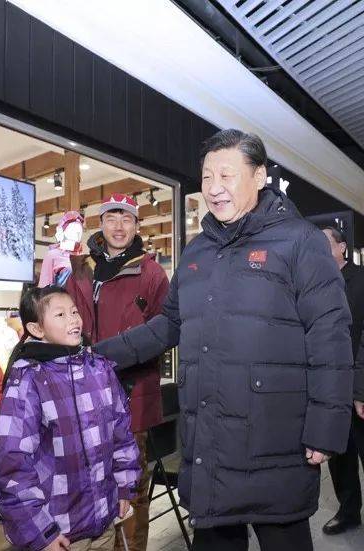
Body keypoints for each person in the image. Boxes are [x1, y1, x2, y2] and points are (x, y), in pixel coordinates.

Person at [95, 129, 354, 551]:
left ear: (259, 177)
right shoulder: (198, 254)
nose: (214, 189)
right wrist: (93, 356)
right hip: (212, 445)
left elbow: (329, 334)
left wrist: (326, 427)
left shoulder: (299, 241)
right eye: (207, 176)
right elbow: (167, 325)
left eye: (227, 176)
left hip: (277, 443)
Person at [0, 286, 140, 551]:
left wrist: (125, 485)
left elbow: (121, 431)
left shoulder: (99, 368)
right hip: (59, 533)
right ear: (37, 329)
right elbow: (11, 463)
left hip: (104, 521)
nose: (73, 320)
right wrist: (40, 531)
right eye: (60, 315)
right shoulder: (29, 380)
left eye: (74, 311)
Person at [66, 193, 169, 551]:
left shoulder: (152, 272)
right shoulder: (80, 269)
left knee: (131, 489)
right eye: (112, 218)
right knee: (88, 483)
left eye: (127, 219)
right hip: (84, 396)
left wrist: (119, 355)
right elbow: (61, 319)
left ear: (137, 225)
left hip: (132, 395)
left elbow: (165, 331)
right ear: (101, 223)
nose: (119, 226)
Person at [321, 227, 364, 535]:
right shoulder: (316, 283)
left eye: (324, 242)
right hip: (331, 387)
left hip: (360, 385)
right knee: (339, 454)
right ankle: (349, 511)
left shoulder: (362, 279)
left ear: (342, 247)